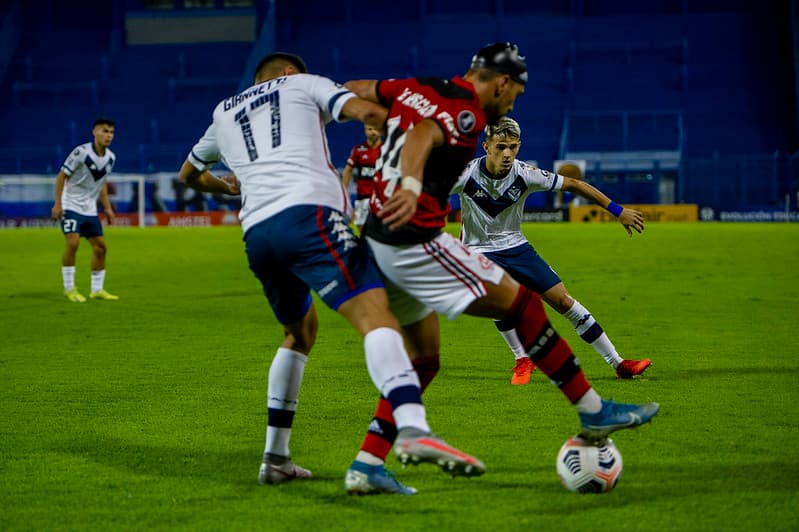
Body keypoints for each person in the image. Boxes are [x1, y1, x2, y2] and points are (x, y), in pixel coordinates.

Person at [343, 42, 659, 495]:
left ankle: (370, 461)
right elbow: (422, 137)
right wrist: (412, 183)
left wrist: (348, 110)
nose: (511, 105)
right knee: (525, 307)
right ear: (503, 81)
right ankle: (592, 408)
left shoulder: (419, 87)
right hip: (413, 236)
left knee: (426, 359)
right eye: (514, 96)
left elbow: (359, 91)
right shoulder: (467, 113)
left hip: (377, 237)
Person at [176, 51, 483, 492]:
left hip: (258, 235)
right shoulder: (302, 83)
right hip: (308, 217)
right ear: (286, 73)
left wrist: (226, 188)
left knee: (298, 334)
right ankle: (414, 427)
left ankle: (276, 459)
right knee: (377, 314)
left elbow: (189, 173)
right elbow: (368, 110)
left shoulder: (223, 112)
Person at [451, 117, 652, 385]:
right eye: (500, 147)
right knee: (499, 299)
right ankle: (522, 359)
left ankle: (619, 363)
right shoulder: (464, 175)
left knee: (563, 301)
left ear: (519, 146)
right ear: (486, 146)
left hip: (515, 246)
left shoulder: (525, 174)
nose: (507, 153)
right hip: (478, 250)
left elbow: (575, 184)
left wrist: (618, 210)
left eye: (512, 146)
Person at [51, 117, 119, 302]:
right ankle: (69, 288)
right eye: (105, 131)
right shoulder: (81, 152)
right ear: (94, 132)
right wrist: (58, 204)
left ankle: (97, 290)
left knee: (101, 247)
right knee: (73, 243)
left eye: (111, 132)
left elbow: (102, 183)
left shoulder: (110, 158)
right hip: (70, 204)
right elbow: (62, 176)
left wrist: (107, 208)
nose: (109, 135)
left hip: (89, 208)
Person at [341, 124, 382, 234]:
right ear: (365, 131)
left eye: (375, 129)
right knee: (356, 231)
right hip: (363, 199)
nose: (373, 132)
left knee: (382, 230)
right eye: (370, 129)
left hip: (380, 199)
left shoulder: (386, 150)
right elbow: (348, 170)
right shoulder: (358, 150)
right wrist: (344, 191)